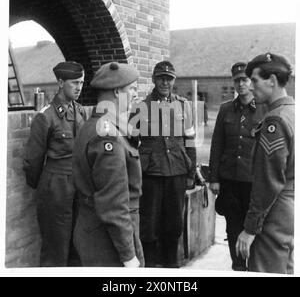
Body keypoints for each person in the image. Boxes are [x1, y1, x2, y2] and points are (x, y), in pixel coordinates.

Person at [72, 62, 144, 267]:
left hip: (95, 231)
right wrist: (129, 256)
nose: (135, 95)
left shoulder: (96, 125)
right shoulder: (107, 136)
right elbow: (113, 204)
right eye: (131, 89)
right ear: (117, 92)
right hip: (108, 241)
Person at [236, 53, 294, 274]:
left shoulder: (275, 121)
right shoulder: (292, 112)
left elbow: (268, 182)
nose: (250, 87)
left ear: (272, 80)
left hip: (273, 215)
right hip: (287, 210)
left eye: (255, 80)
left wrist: (250, 229)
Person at [23, 61, 86, 266]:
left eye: (82, 82)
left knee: (79, 244)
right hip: (56, 188)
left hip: (78, 186)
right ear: (60, 82)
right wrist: (44, 188)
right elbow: (33, 161)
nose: (79, 87)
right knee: (56, 249)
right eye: (74, 82)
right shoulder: (46, 116)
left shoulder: (81, 111)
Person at [136, 60, 196, 268]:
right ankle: (151, 266)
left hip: (177, 172)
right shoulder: (142, 107)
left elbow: (190, 141)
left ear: (173, 81)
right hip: (151, 173)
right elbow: (131, 143)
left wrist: (190, 174)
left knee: (174, 224)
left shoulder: (183, 105)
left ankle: (171, 265)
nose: (165, 83)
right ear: (154, 80)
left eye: (169, 79)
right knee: (149, 224)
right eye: (161, 78)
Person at [208, 62, 267, 271]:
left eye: (244, 79)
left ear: (251, 82)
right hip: (229, 181)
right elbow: (217, 145)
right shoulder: (226, 109)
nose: (241, 84)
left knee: (254, 229)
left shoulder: (264, 108)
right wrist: (213, 179)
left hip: (252, 182)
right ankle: (238, 267)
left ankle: (255, 267)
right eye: (237, 80)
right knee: (233, 228)